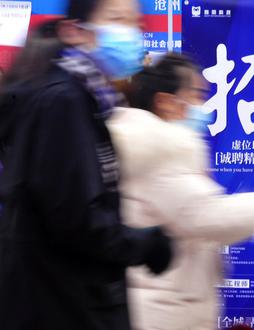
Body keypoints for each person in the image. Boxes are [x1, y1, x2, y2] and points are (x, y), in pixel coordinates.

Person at [0, 0, 173, 329]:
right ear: (75, 30)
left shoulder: (80, 98)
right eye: (117, 19)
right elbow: (76, 217)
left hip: (61, 297)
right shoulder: (63, 101)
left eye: (135, 23)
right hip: (60, 302)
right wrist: (144, 244)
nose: (132, 32)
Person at [107, 53, 254, 330]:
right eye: (195, 95)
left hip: (171, 302)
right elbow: (204, 216)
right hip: (163, 310)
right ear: (165, 101)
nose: (203, 106)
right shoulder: (157, 149)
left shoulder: (167, 147)